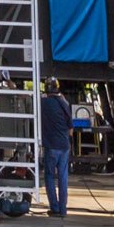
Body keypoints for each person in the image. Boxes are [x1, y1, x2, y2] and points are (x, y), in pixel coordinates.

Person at [42, 84, 76, 217]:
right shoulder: (64, 103)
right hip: (64, 145)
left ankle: (54, 208)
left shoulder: (43, 103)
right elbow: (71, 127)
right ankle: (63, 209)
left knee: (49, 176)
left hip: (52, 146)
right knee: (63, 177)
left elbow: (27, 99)